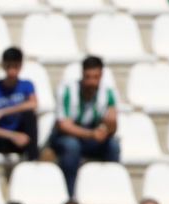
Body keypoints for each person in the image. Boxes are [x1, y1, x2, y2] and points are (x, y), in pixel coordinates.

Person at [49, 55, 118, 195]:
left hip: (91, 136)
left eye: (95, 77)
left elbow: (112, 126)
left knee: (113, 146)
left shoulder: (109, 92)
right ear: (82, 74)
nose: (92, 82)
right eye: (88, 77)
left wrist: (108, 126)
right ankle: (69, 194)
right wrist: (92, 134)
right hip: (66, 136)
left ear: (101, 76)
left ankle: (111, 189)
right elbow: (63, 125)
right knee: (71, 146)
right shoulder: (68, 89)